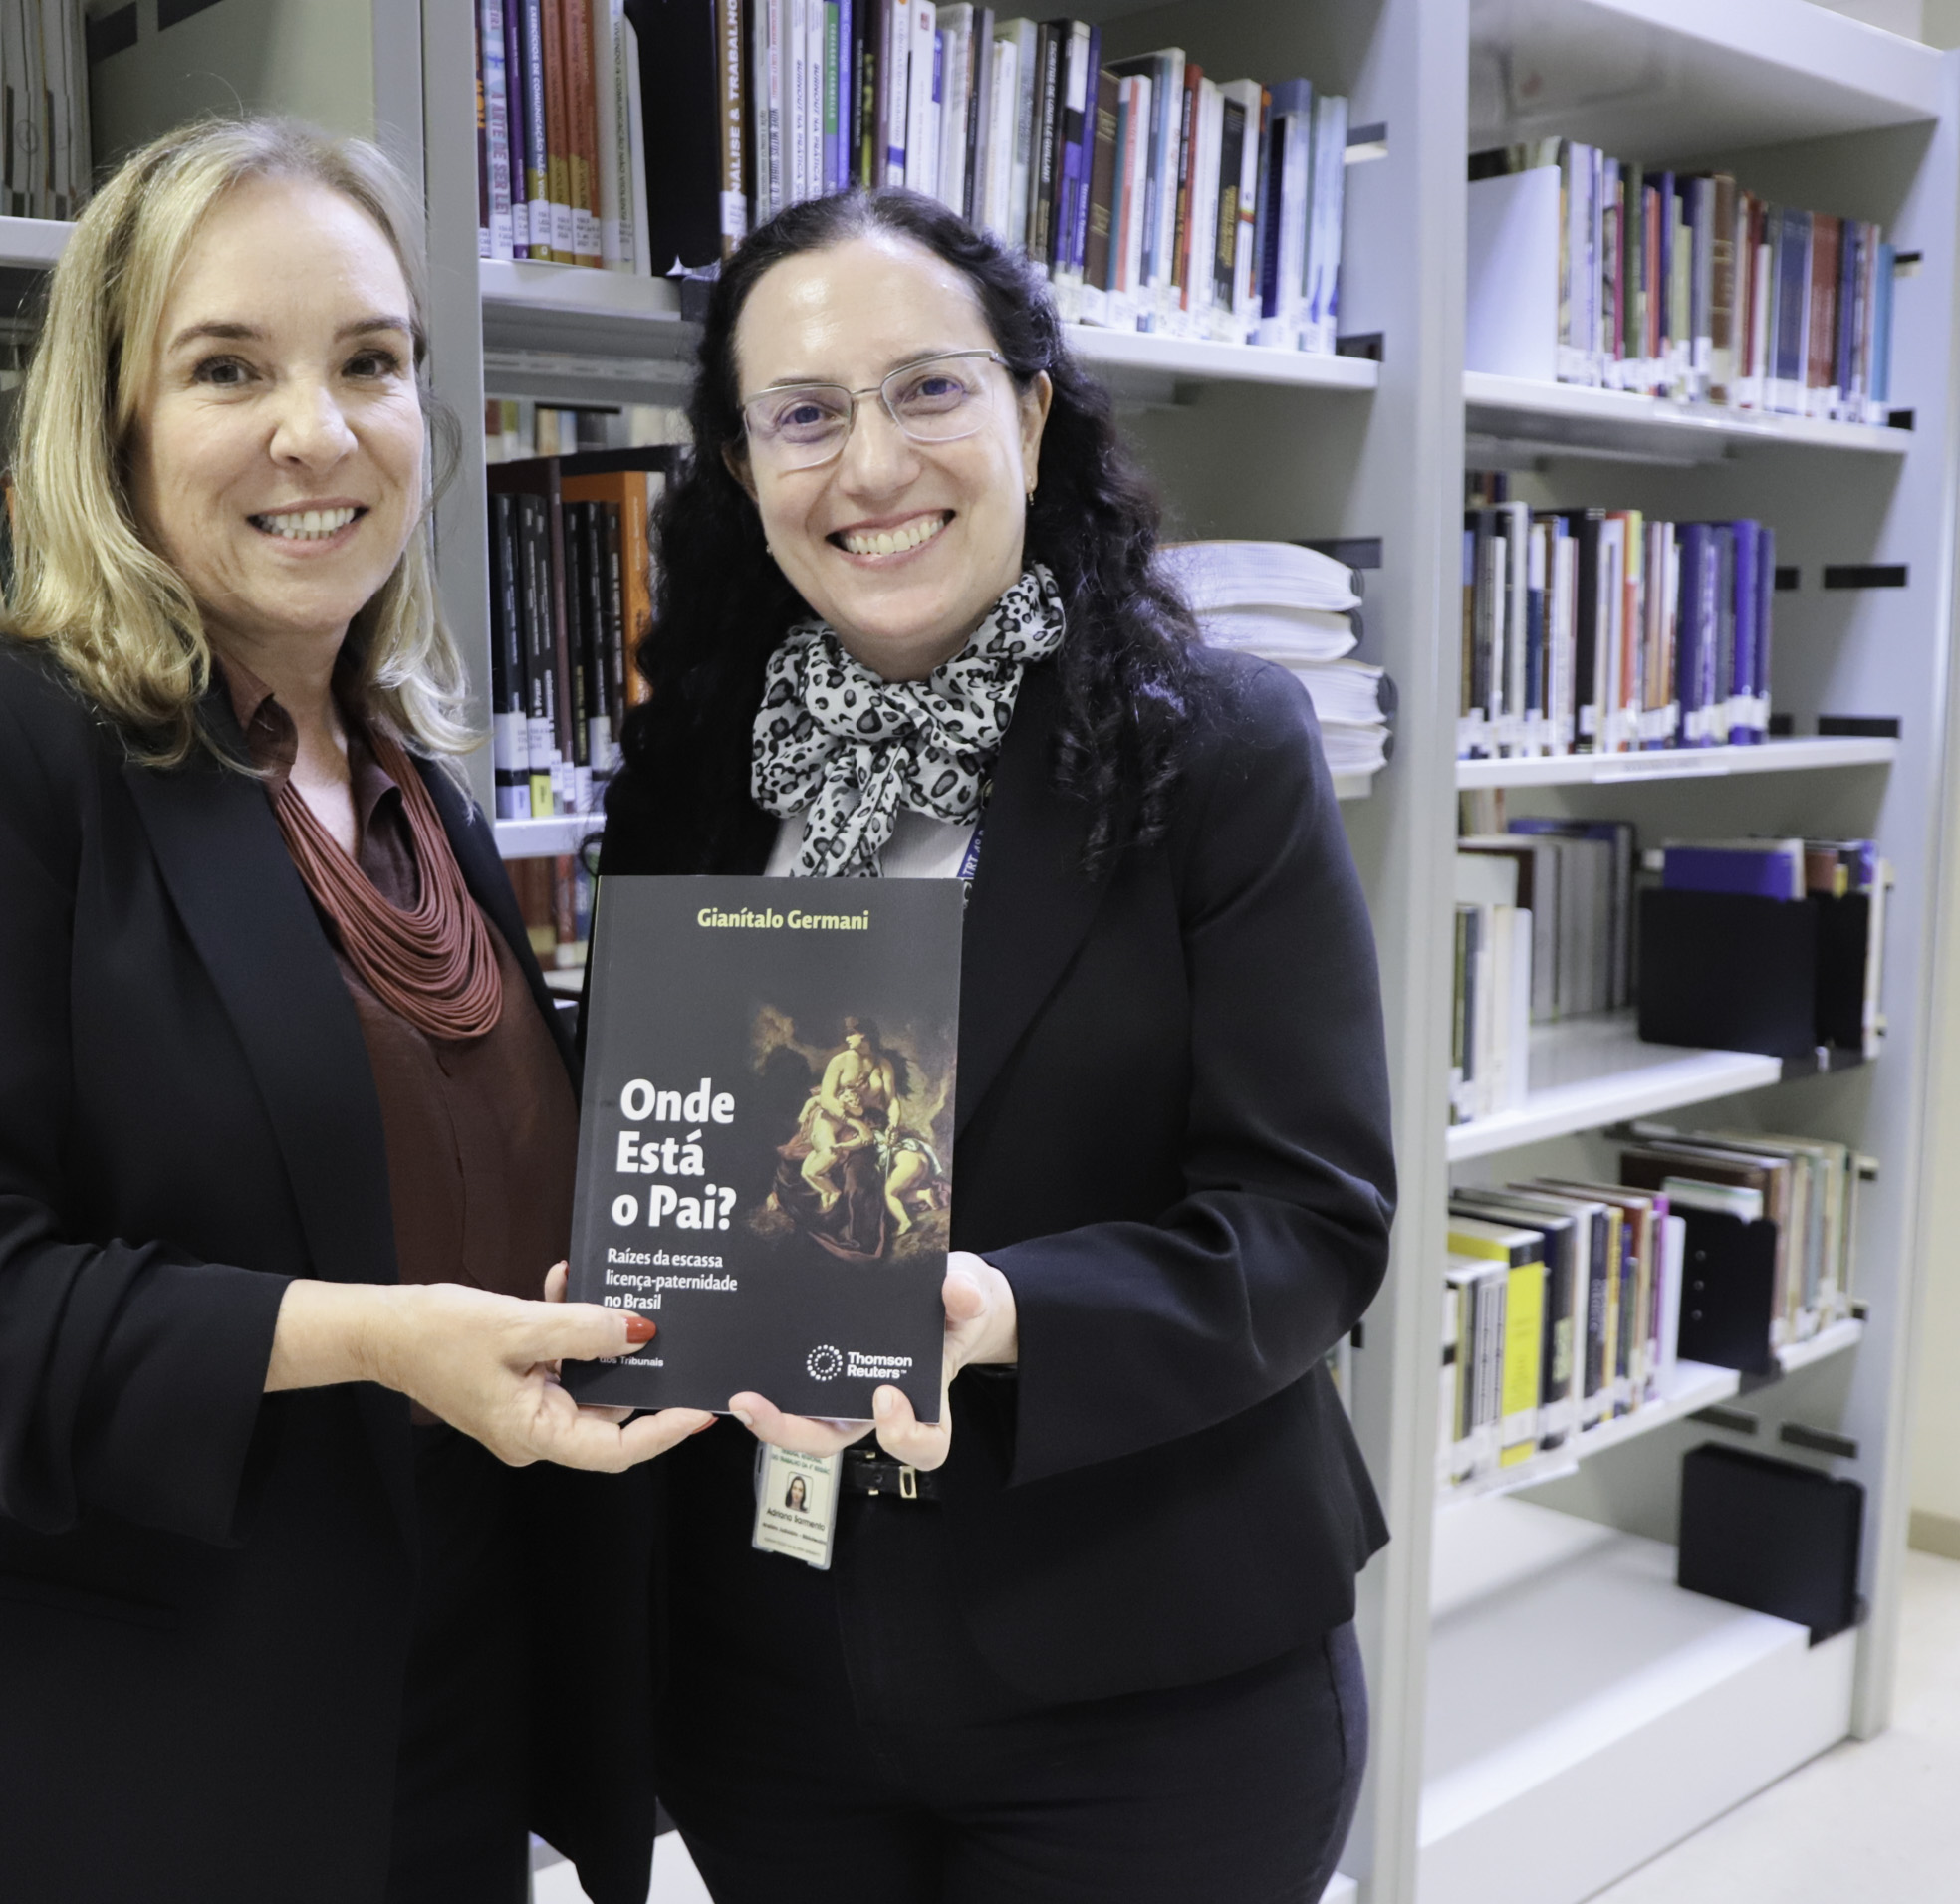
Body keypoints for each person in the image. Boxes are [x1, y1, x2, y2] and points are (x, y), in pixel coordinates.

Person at [0, 116, 707, 1904]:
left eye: (371, 364)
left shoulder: (418, 789)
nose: (316, 432)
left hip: (433, 1702)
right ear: (112, 423)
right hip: (106, 1761)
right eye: (228, 368)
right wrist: (363, 1337)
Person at [598, 187, 1396, 1904]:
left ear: (1032, 411)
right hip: (767, 1676)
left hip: (1144, 1679)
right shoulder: (692, 786)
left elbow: (1311, 1223)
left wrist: (1003, 1315)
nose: (871, 465)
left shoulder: (1219, 754)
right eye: (804, 416)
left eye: (929, 390)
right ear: (745, 472)